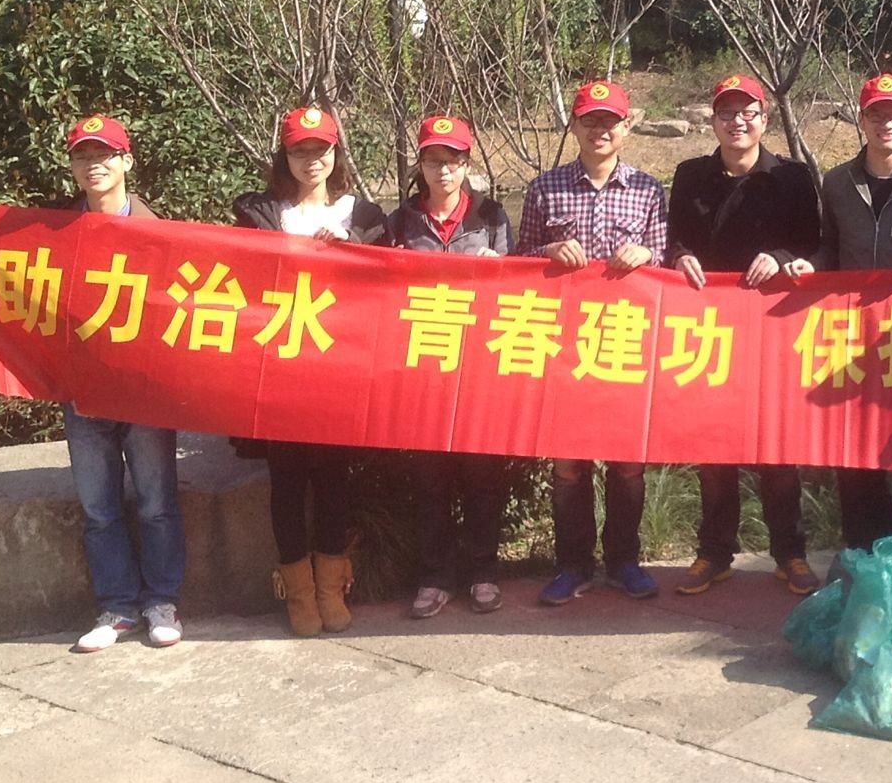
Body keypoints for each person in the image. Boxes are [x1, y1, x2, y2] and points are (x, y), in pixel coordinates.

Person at [0, 115, 187, 654]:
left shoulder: (162, 234)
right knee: (99, 509)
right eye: (81, 156)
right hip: (82, 395)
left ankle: (161, 602)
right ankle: (117, 607)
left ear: (127, 161)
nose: (93, 165)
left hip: (143, 395)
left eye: (104, 154)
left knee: (156, 504)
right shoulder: (50, 231)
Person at [784, 72, 892, 555]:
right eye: (876, 114)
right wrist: (812, 265)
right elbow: (830, 246)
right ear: (861, 120)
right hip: (851, 340)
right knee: (856, 458)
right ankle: (868, 558)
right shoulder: (837, 183)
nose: (887, 123)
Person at [232, 105, 388, 637]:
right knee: (286, 480)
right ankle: (298, 593)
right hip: (280, 372)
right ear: (286, 155)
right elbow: (239, 273)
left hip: (340, 372)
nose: (311, 159)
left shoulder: (364, 216)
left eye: (320, 149)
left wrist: (355, 251)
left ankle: (330, 587)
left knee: (333, 479)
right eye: (300, 150)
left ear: (335, 153)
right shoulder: (259, 213)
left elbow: (390, 283)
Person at [667, 72, 825, 597]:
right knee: (714, 449)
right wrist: (680, 257)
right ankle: (714, 553)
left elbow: (815, 247)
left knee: (776, 448)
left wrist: (780, 257)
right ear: (713, 121)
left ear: (764, 118)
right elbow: (673, 242)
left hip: (773, 330)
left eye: (747, 112)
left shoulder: (792, 178)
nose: (737, 122)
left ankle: (790, 553)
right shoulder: (691, 176)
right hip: (709, 330)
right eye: (726, 113)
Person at [516, 79, 667, 606]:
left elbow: (667, 264)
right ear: (575, 126)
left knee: (627, 462)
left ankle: (624, 560)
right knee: (568, 462)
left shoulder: (648, 190)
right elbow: (517, 262)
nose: (600, 129)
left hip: (626, 344)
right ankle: (572, 564)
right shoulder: (545, 188)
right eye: (590, 120)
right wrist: (547, 252)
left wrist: (647, 256)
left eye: (610, 121)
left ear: (626, 127)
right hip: (563, 347)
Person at [386, 114, 522, 621]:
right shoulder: (400, 222)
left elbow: (517, 289)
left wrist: (496, 270)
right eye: (433, 160)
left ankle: (484, 572)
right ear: (419, 165)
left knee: (482, 475)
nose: (443, 170)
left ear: (467, 164)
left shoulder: (491, 217)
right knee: (429, 478)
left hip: (479, 368)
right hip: (424, 367)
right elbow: (380, 288)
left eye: (453, 160)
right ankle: (435, 577)